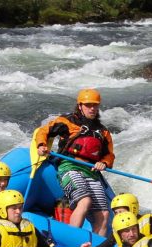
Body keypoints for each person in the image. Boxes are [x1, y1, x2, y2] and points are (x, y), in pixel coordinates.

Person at [34, 88, 115, 236]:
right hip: (69, 167)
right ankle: (71, 240)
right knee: (85, 201)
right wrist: (41, 145)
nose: (92, 109)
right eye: (88, 105)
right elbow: (43, 131)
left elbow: (109, 155)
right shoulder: (67, 121)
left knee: (103, 214)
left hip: (91, 172)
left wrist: (104, 162)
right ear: (80, 106)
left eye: (95, 105)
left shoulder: (103, 132)